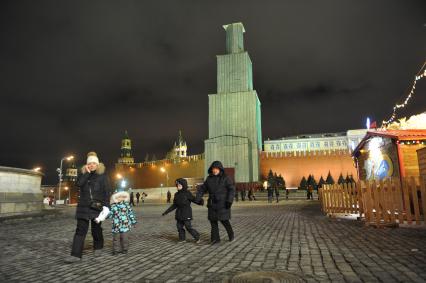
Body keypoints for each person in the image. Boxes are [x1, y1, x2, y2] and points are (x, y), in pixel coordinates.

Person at [64, 152, 111, 263]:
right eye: (89, 163)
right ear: (87, 165)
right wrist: (86, 173)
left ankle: (98, 247)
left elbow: (107, 192)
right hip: (83, 207)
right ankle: (75, 255)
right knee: (80, 230)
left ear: (98, 164)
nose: (92, 165)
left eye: (94, 163)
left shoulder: (103, 176)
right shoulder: (83, 175)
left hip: (97, 206)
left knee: (96, 229)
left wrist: (107, 206)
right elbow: (79, 184)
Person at [196, 161, 235, 244]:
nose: (215, 170)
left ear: (220, 169)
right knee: (213, 221)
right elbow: (202, 189)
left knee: (224, 220)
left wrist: (229, 200)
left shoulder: (226, 178)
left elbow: (231, 189)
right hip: (212, 203)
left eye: (216, 169)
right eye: (213, 169)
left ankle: (231, 234)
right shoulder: (209, 179)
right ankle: (215, 239)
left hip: (223, 203)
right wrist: (198, 198)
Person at [162, 178, 202, 243]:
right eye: (177, 185)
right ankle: (182, 239)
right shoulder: (176, 194)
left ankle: (197, 237)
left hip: (186, 213)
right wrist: (166, 212)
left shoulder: (187, 193)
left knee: (188, 227)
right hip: (179, 214)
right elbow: (174, 205)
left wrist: (200, 201)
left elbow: (194, 200)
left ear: (184, 185)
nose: (178, 187)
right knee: (179, 227)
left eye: (179, 185)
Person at [108, 191, 137, 255]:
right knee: (116, 239)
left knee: (125, 238)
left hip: (125, 225)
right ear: (115, 198)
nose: (120, 198)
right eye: (118, 197)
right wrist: (106, 215)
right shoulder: (113, 206)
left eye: (122, 197)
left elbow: (130, 214)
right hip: (116, 225)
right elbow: (110, 214)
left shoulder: (127, 206)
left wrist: (133, 222)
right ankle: (115, 251)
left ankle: (125, 249)